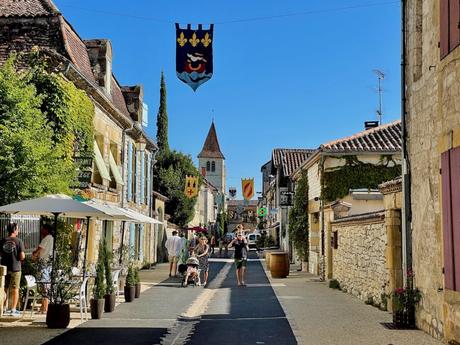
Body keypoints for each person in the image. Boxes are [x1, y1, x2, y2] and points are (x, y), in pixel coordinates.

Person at [0, 223, 25, 316]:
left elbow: (1, 254)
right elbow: (22, 256)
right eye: (17, 229)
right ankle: (13, 310)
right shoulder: (19, 241)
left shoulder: (2, 241)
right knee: (15, 289)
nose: (18, 230)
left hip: (4, 268)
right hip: (16, 268)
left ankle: (2, 308)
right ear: (14, 230)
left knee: (4, 288)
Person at [31, 224, 54, 313]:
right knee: (46, 284)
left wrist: (34, 255)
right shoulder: (52, 238)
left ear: (46, 230)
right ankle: (43, 306)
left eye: (42, 229)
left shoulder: (46, 238)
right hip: (48, 263)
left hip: (44, 264)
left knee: (44, 285)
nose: (41, 230)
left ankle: (45, 308)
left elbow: (39, 249)